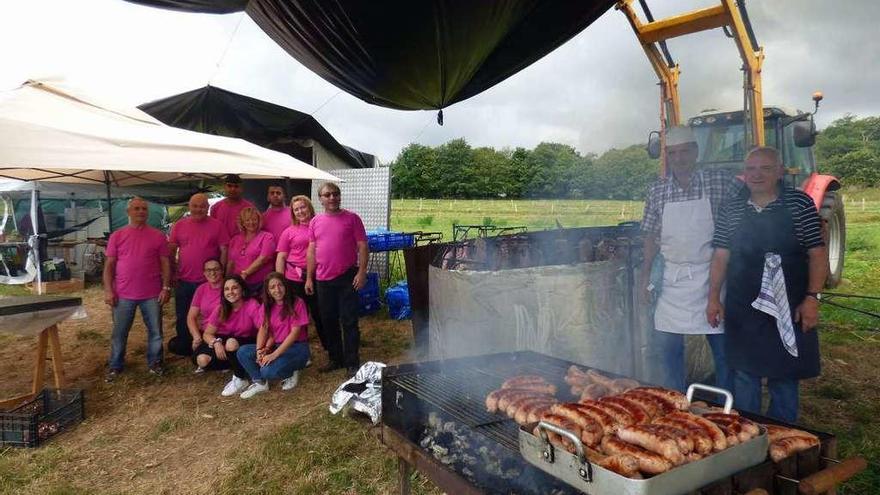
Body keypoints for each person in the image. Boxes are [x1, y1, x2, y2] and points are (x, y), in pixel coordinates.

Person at [707, 147, 827, 422]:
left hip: (789, 301)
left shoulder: (799, 203)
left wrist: (812, 299)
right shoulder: (731, 207)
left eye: (765, 168)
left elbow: (817, 253)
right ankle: (748, 431)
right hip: (743, 301)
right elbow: (721, 254)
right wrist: (714, 297)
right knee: (744, 373)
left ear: (779, 171)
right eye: (751, 169)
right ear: (744, 173)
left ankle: (782, 435)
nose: (757, 175)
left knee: (783, 376)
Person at [639, 125, 741, 392]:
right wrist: (645, 278)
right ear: (668, 157)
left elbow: (745, 217)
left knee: (723, 351)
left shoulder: (721, 181)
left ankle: (726, 409)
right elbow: (649, 237)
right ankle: (675, 400)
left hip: (712, 277)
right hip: (671, 280)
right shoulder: (657, 191)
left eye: (685, 152)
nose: (680, 158)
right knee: (669, 350)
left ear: (695, 152)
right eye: (673, 154)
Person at [104, 197, 171, 382]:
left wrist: (166, 287)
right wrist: (108, 290)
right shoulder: (117, 235)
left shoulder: (158, 236)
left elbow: (165, 263)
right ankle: (115, 365)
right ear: (128, 212)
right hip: (123, 294)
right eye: (136, 208)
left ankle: (155, 363)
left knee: (156, 332)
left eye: (143, 209)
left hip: (152, 293)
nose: (140, 211)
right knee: (119, 333)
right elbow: (109, 265)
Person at [305, 182, 368, 376]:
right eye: (327, 195)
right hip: (323, 280)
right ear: (321, 199)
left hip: (347, 277)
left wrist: (362, 272)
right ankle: (336, 358)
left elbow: (363, 246)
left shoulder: (352, 218)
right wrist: (309, 277)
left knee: (349, 321)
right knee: (328, 321)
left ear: (339, 196)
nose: (332, 198)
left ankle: (351, 362)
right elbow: (311, 250)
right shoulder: (315, 221)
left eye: (335, 194)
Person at [167, 193, 229, 355]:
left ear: (208, 207)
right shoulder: (179, 225)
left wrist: (221, 273)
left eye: (202, 206)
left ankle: (207, 344)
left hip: (208, 281)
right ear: (189, 206)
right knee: (183, 314)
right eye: (195, 205)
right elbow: (172, 249)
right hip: (184, 279)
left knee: (211, 315)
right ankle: (186, 345)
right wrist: (173, 272)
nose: (198, 209)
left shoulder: (217, 225)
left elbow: (224, 250)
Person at [237, 272, 311, 399]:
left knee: (268, 371)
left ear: (285, 286)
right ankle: (260, 383)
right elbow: (263, 329)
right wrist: (260, 350)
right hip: (276, 345)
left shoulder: (297, 302)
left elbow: (295, 333)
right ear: (268, 290)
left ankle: (291, 372)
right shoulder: (267, 306)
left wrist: (273, 355)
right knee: (243, 351)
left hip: (297, 347)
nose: (277, 289)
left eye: (280, 285)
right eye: (272, 287)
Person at [196, 275, 261, 396]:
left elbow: (263, 329)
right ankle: (236, 366)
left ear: (242, 290)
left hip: (248, 341)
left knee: (231, 343)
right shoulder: (221, 308)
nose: (230, 292)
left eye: (235, 288)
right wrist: (216, 343)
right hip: (224, 340)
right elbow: (207, 333)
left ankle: (240, 378)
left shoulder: (252, 305)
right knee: (202, 360)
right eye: (226, 289)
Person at [275, 195, 325, 351]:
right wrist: (280, 280)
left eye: (303, 207)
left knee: (320, 313)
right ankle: (301, 351)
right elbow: (281, 257)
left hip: (320, 276)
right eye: (296, 209)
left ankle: (329, 345)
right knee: (298, 315)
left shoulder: (320, 225)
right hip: (294, 279)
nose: (300, 211)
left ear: (309, 207)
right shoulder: (288, 232)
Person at [227, 207, 276, 294]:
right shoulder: (235, 239)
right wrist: (227, 279)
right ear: (242, 222)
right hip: (238, 283)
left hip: (260, 284)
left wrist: (245, 274)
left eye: (254, 219)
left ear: (259, 220)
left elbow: (263, 259)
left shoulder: (267, 237)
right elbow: (231, 262)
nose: (251, 222)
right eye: (247, 220)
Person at [186, 259, 224, 368]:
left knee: (203, 359)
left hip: (225, 332)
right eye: (208, 270)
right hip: (206, 333)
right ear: (204, 272)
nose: (212, 273)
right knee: (178, 345)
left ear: (222, 271)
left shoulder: (228, 288)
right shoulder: (201, 289)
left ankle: (225, 360)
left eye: (216, 269)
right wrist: (196, 336)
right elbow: (191, 316)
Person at [210, 174, 255, 239]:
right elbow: (213, 230)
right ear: (224, 187)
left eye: (236, 186)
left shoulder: (249, 208)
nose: (233, 189)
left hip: (242, 247)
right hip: (220, 247)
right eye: (229, 186)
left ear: (241, 188)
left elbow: (254, 231)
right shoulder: (216, 207)